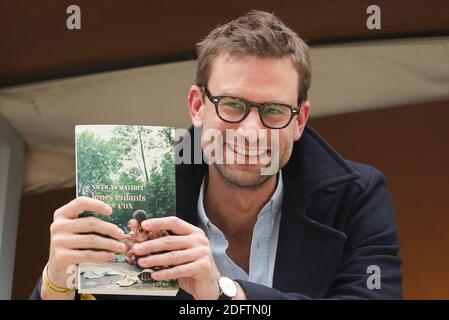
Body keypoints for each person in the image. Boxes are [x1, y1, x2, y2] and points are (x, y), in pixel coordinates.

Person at [31, 10, 402, 300]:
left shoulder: (357, 196)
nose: (251, 132)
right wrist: (56, 282)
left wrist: (227, 293)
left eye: (273, 110)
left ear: (299, 120)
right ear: (197, 106)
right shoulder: (132, 188)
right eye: (232, 105)